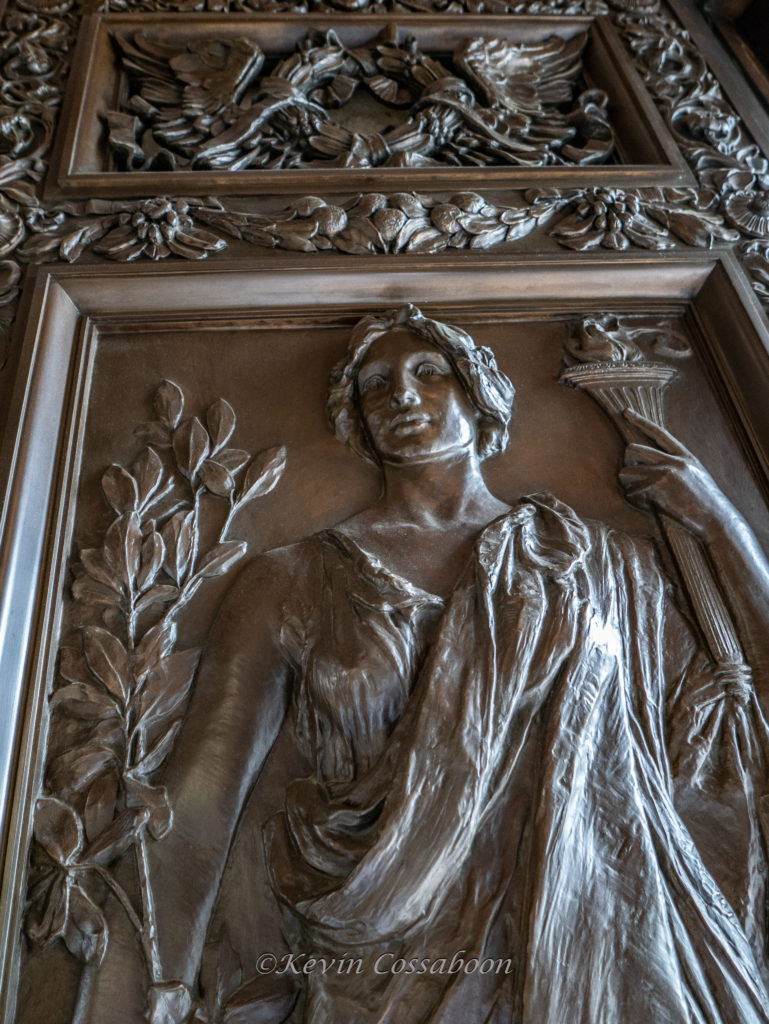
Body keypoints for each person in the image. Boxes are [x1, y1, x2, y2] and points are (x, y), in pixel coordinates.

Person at [143, 305, 769, 1023]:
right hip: (380, 958)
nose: (400, 396)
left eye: (429, 373)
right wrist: (164, 975)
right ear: (354, 420)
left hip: (597, 945)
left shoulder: (592, 561)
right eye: (373, 386)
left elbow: (735, 710)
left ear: (483, 396)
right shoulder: (290, 577)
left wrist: (715, 519)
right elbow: (205, 791)